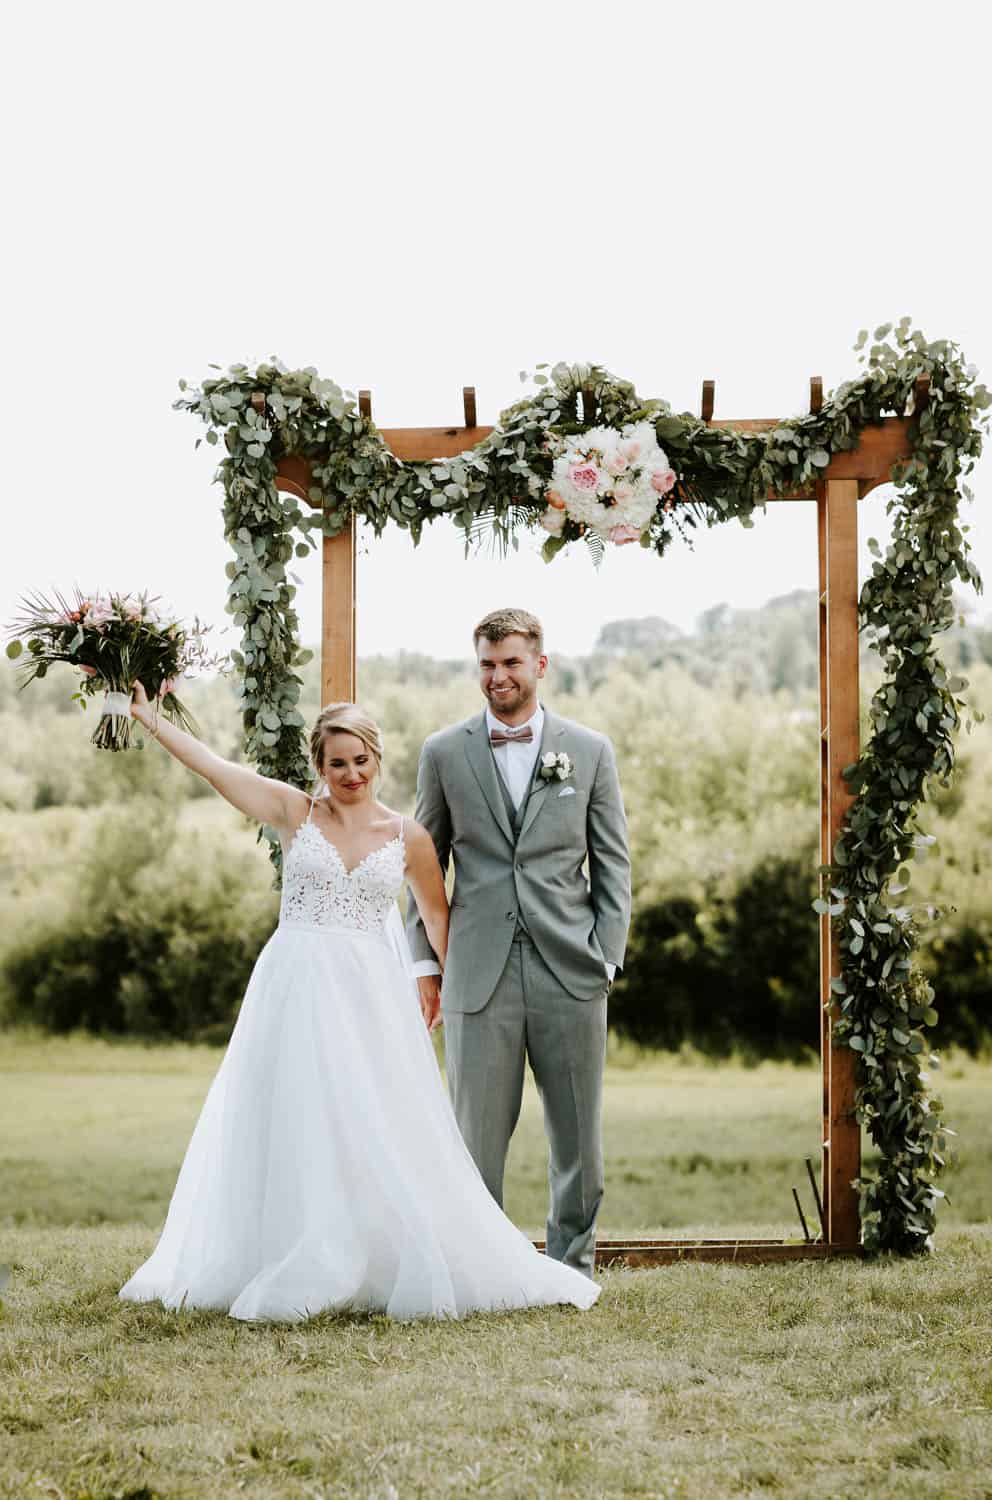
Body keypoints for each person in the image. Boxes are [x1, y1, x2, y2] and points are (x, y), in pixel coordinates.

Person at [118, 685, 598, 1321]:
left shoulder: (408, 837)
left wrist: (463, 1000)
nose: (351, 774)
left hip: (370, 994)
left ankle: (371, 1254)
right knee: (294, 1114)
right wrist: (149, 718)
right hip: (294, 986)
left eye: (361, 760)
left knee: (374, 1117)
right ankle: (293, 1249)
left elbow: (439, 923)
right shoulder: (294, 812)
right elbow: (214, 768)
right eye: (337, 763)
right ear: (319, 766)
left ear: (378, 758)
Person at [407, 608, 632, 1278]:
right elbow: (424, 864)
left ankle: (572, 1264)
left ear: (540, 664)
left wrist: (606, 955)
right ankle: (482, 1270)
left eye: (510, 662)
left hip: (572, 968)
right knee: (474, 1136)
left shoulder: (589, 751)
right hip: (477, 971)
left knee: (578, 1136)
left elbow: (613, 863)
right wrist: (426, 965)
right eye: (487, 663)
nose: (497, 675)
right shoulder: (443, 753)